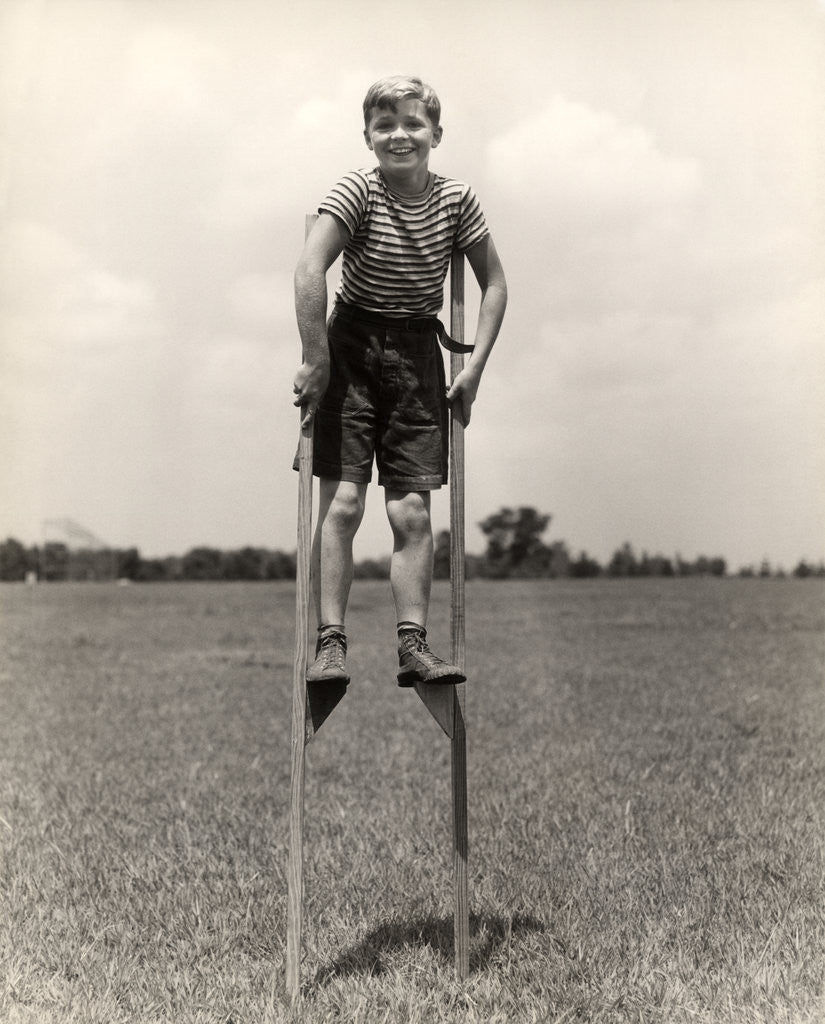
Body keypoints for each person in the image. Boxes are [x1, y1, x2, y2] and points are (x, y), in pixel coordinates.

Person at [292, 75, 507, 688]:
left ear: (437, 133)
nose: (400, 135)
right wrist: (316, 355)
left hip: (418, 352)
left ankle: (413, 646)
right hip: (350, 347)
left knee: (412, 511)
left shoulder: (456, 200)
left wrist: (473, 367)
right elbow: (310, 266)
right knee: (343, 502)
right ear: (367, 137)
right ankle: (330, 644)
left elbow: (495, 282)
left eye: (414, 124)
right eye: (385, 126)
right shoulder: (358, 189)